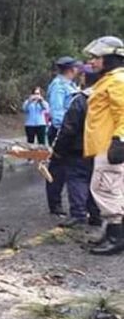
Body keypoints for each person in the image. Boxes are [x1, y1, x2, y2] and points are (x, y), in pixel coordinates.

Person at [81, 36, 124, 255]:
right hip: (103, 145)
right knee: (107, 189)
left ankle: (116, 239)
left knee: (106, 190)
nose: (92, 62)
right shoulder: (108, 79)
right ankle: (110, 234)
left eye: (96, 58)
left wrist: (120, 141)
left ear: (110, 58)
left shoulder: (118, 81)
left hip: (110, 146)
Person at [49, 70, 102, 228]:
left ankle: (78, 215)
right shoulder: (105, 97)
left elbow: (68, 128)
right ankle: (96, 214)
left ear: (86, 79)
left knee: (77, 180)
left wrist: (58, 150)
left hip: (78, 148)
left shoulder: (80, 100)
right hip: (101, 147)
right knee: (96, 180)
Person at [46, 56, 80, 144]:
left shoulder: (71, 85)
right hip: (62, 132)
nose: (78, 70)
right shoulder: (58, 85)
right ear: (71, 70)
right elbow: (57, 109)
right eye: (76, 67)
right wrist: (64, 131)